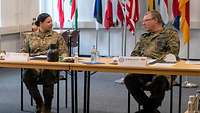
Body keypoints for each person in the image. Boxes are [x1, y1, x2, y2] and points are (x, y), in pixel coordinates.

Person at [124, 10, 180, 113]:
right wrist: (141, 60)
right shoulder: (144, 37)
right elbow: (134, 54)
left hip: (162, 70)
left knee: (160, 81)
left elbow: (173, 53)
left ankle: (147, 110)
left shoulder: (170, 34)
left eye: (146, 20)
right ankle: (150, 110)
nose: (143, 23)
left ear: (156, 20)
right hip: (144, 69)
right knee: (129, 79)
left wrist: (153, 61)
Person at [21, 13, 68, 113]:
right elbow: (23, 52)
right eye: (48, 22)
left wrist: (60, 59)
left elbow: (64, 52)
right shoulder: (30, 37)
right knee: (26, 76)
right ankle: (40, 104)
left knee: (48, 75)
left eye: (51, 21)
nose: (51, 24)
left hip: (50, 67)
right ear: (40, 23)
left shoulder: (57, 36)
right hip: (34, 67)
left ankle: (47, 108)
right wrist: (25, 57)